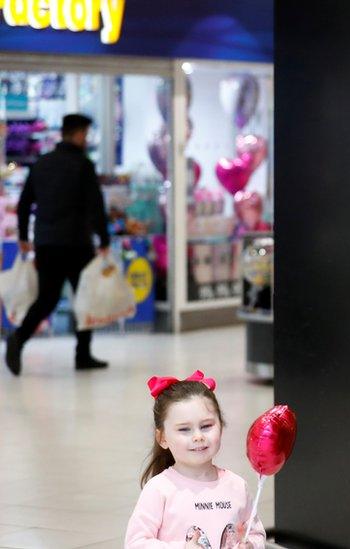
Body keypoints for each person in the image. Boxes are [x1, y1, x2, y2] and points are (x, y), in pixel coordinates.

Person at [5, 113, 110, 375]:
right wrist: (104, 238)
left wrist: (23, 236)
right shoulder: (83, 165)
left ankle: (18, 338)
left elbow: (24, 203)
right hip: (77, 243)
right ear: (76, 135)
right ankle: (82, 355)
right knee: (84, 297)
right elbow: (95, 205)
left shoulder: (42, 163)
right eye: (85, 134)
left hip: (48, 243)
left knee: (47, 298)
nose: (86, 139)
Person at [125, 370, 266, 548]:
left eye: (206, 426)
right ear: (162, 438)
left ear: (221, 427)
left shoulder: (237, 486)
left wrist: (251, 545)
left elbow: (256, 533)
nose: (198, 436)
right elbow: (135, 543)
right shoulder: (159, 489)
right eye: (184, 429)